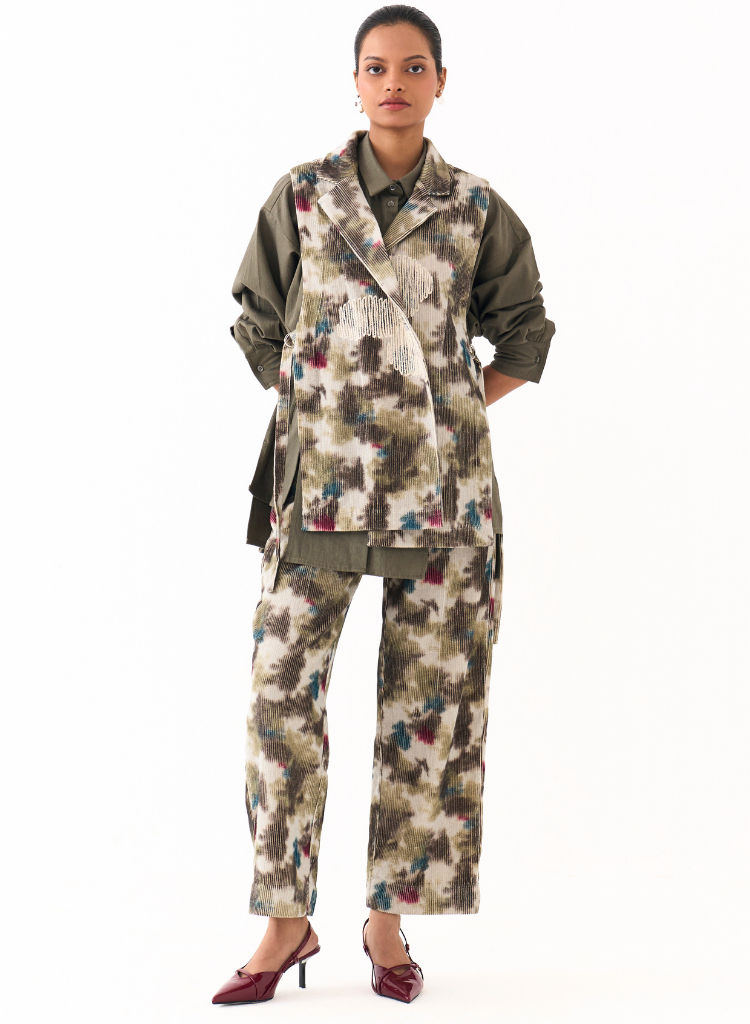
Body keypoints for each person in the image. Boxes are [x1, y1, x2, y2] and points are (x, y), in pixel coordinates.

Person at [212, 4, 555, 1006]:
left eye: (412, 67)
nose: (393, 83)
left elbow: (526, 333)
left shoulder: (475, 208)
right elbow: (256, 322)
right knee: (281, 699)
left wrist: (445, 411)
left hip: (443, 500)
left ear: (440, 80)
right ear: (355, 81)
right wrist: (324, 406)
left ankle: (388, 919)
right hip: (319, 489)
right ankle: (286, 920)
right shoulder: (305, 195)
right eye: (375, 67)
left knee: (431, 707)